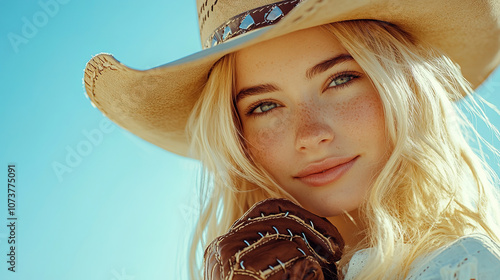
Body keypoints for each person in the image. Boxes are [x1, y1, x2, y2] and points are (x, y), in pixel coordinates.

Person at [83, 0, 500, 279]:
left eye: (340, 79)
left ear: (400, 85)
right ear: (238, 136)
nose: (311, 135)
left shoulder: (464, 266)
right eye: (264, 106)